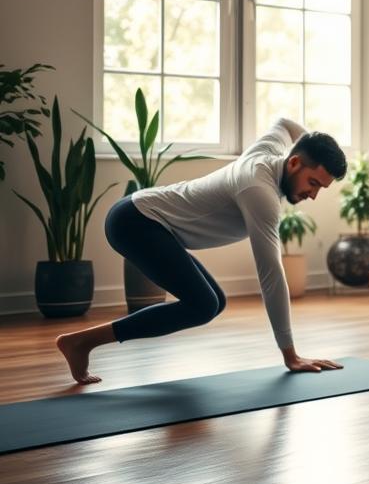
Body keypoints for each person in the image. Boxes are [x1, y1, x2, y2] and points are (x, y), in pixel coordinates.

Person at [55, 118, 348, 384]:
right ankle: (81, 342)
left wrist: (315, 144)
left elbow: (284, 124)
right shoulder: (260, 191)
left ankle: (80, 342)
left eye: (321, 188)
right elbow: (271, 276)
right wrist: (291, 355)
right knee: (203, 304)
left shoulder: (270, 151)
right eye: (313, 183)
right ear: (294, 162)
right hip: (135, 221)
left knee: (214, 302)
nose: (313, 195)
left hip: (141, 216)